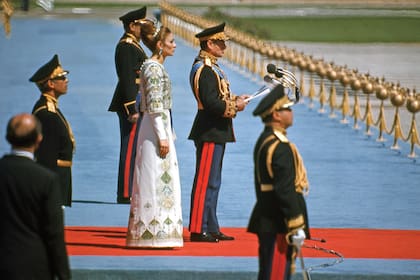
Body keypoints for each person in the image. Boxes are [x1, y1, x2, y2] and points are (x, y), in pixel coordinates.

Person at [188, 22, 249, 242]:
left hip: (217, 130)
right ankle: (198, 228)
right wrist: (235, 107)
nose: (224, 46)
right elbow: (211, 103)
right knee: (205, 181)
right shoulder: (204, 68)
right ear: (210, 43)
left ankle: (211, 225)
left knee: (214, 181)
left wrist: (236, 100)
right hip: (209, 129)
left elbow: (218, 98)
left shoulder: (212, 67)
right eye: (221, 42)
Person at [126, 19, 183, 248]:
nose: (175, 45)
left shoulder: (155, 67)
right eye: (171, 41)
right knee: (153, 177)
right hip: (153, 130)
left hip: (158, 127)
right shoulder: (152, 68)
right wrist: (162, 136)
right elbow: (155, 106)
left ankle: (162, 230)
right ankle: (152, 233)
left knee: (161, 178)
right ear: (160, 44)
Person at [247, 84, 310, 280]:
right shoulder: (280, 147)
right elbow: (284, 190)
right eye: (287, 108)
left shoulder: (266, 140)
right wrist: (295, 224)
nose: (291, 112)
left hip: (268, 217)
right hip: (278, 221)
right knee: (276, 274)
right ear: (276, 115)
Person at [0, 113, 71, 279]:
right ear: (39, 140)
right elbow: (54, 233)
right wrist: (63, 274)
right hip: (35, 266)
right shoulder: (47, 180)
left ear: (8, 138)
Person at [108, 6, 148, 204]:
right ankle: (125, 192)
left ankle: (130, 189)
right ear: (132, 26)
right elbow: (126, 79)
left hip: (138, 101)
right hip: (130, 104)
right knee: (129, 147)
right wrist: (131, 108)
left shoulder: (135, 44)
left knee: (135, 148)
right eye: (142, 24)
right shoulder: (126, 46)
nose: (145, 28)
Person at [30, 54, 75, 207]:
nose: (66, 80)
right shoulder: (46, 114)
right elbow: (46, 155)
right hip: (54, 176)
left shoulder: (52, 109)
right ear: (50, 84)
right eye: (62, 77)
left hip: (60, 175)